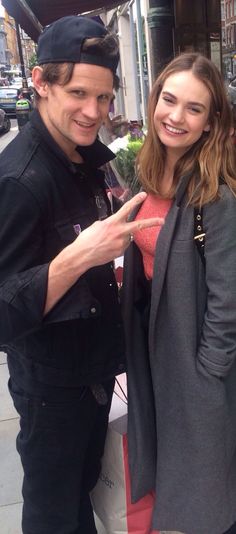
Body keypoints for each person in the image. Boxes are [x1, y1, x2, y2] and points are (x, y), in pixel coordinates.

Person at [0, 15, 163, 534]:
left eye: (105, 97)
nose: (94, 112)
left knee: (84, 499)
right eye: (78, 93)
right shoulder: (21, 181)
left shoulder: (89, 156)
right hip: (52, 394)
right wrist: (79, 255)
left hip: (95, 378)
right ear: (41, 84)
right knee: (54, 513)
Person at [122, 52, 236, 534]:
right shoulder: (147, 173)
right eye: (169, 100)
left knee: (210, 482)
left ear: (211, 123)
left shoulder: (217, 193)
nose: (176, 116)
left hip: (197, 362)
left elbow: (227, 295)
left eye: (194, 108)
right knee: (179, 469)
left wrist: (209, 370)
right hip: (157, 354)